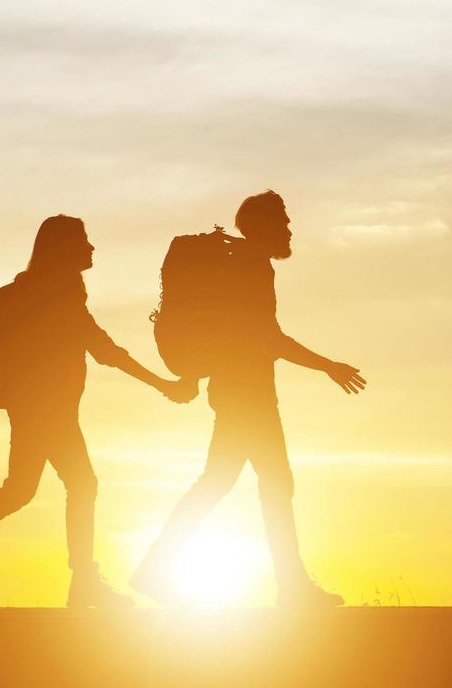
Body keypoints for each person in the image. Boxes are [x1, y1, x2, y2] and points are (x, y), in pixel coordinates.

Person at [0, 215, 196, 608]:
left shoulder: (42, 294)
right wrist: (164, 385)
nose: (92, 248)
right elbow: (106, 352)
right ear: (62, 249)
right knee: (75, 484)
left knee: (24, 490)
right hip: (46, 408)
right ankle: (82, 583)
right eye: (84, 241)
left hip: (43, 406)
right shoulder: (57, 299)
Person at [132, 191, 365, 608]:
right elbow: (268, 337)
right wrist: (328, 365)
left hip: (238, 390)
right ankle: (290, 587)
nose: (290, 230)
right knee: (267, 483)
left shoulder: (243, 265)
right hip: (246, 394)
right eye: (283, 222)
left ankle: (156, 569)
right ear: (262, 227)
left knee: (229, 482)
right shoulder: (252, 268)